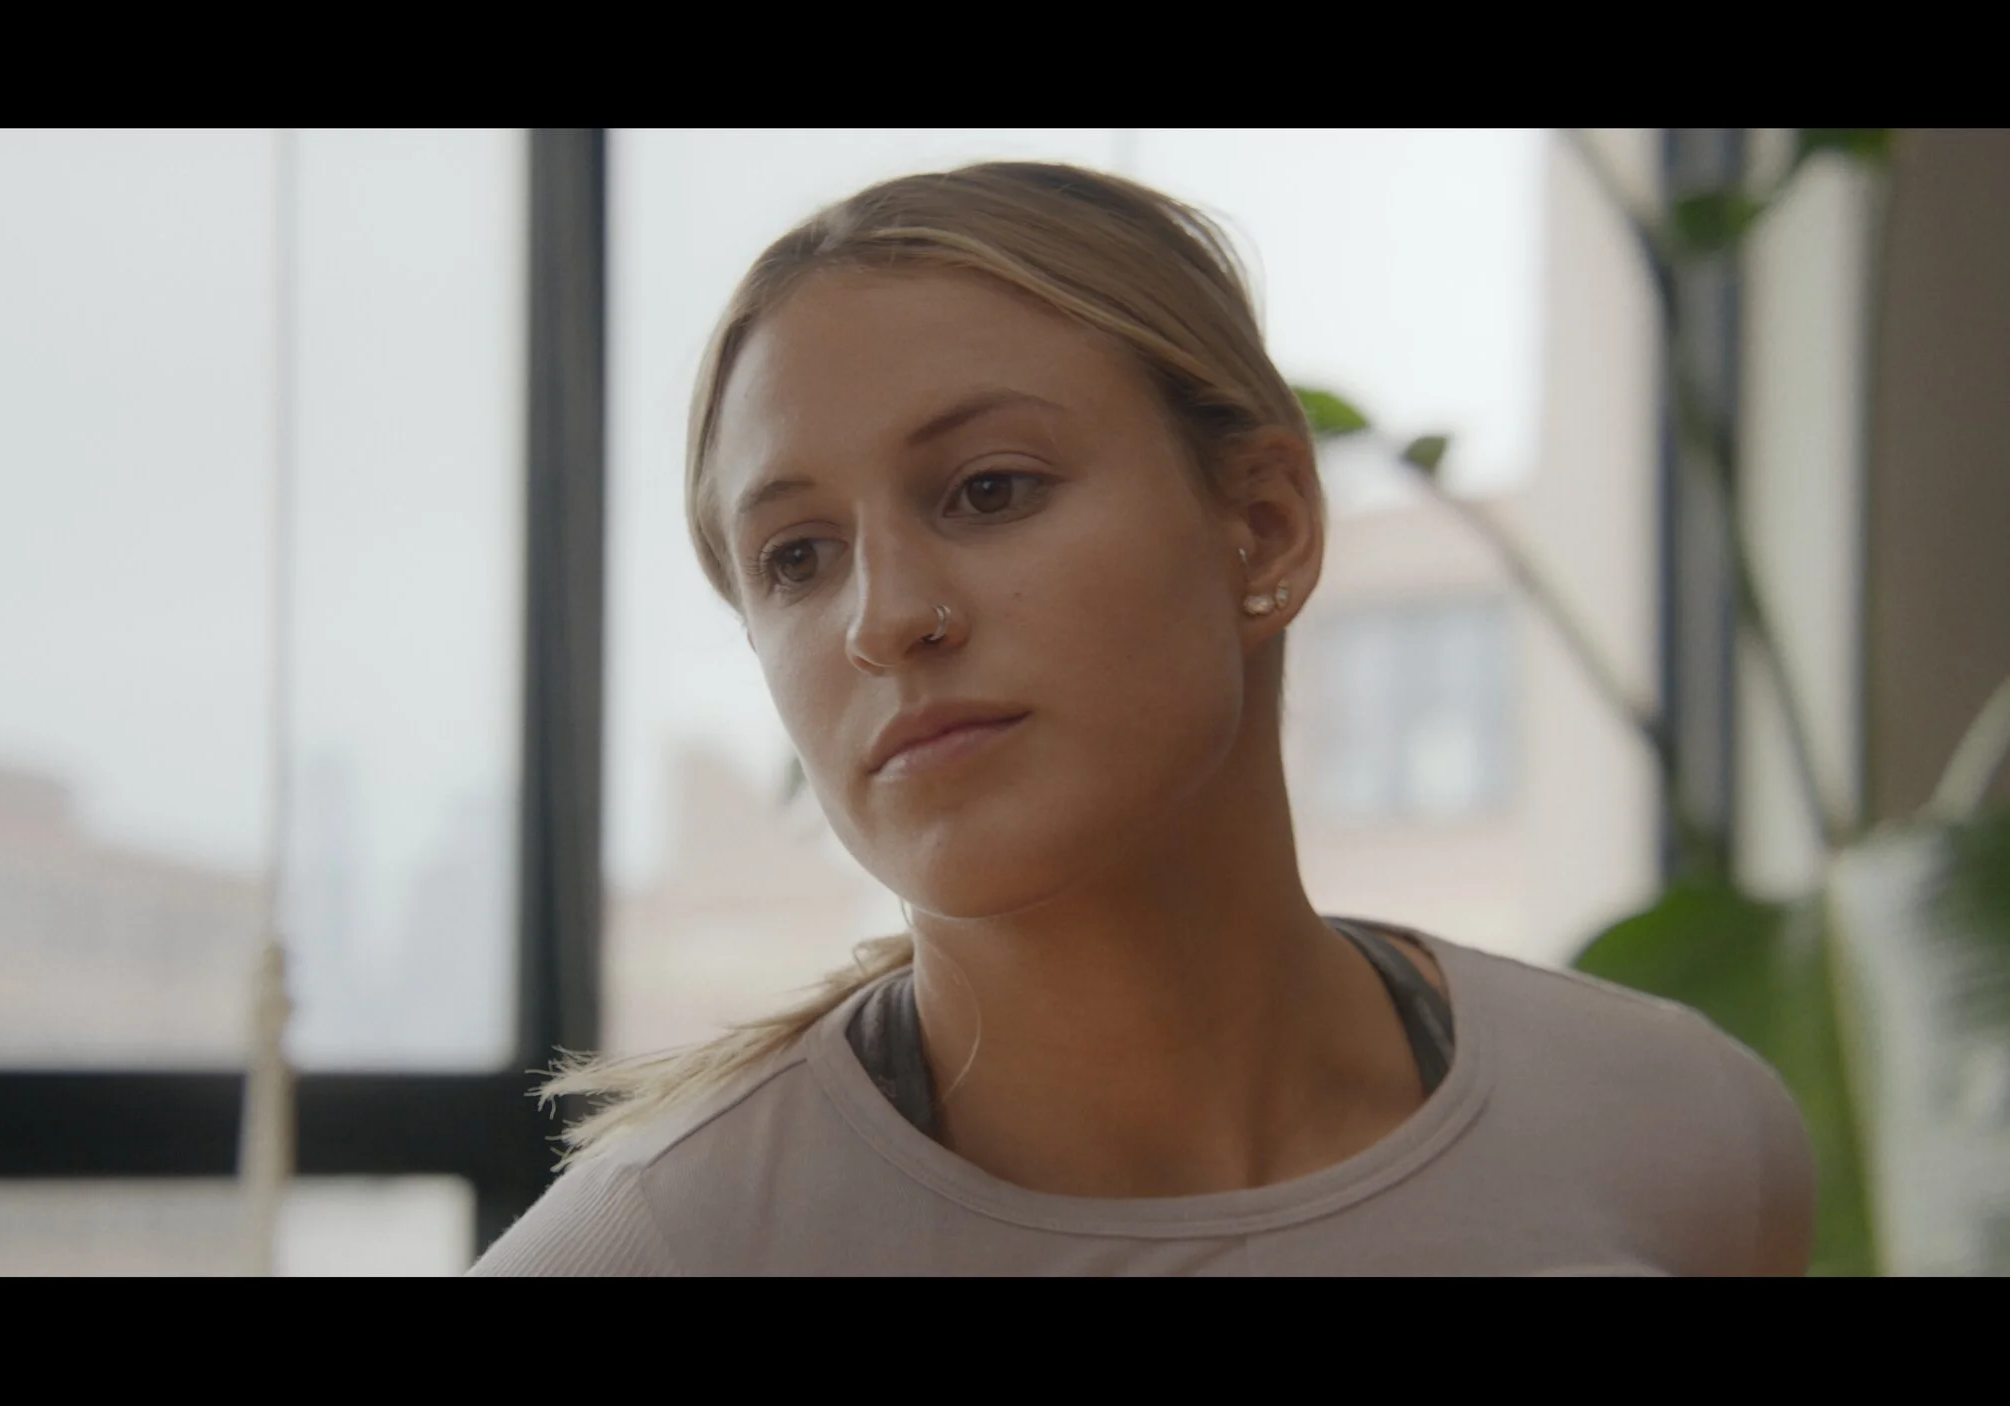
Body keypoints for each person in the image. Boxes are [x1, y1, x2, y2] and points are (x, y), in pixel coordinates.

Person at [470, 160, 1816, 1276]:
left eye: (990, 489)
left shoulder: (1676, 1133)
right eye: (798, 559)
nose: (886, 619)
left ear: (1266, 526)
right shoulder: (667, 1245)